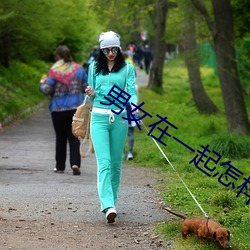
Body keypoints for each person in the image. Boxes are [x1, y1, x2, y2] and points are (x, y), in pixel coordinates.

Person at [85, 31, 138, 223]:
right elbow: (91, 97)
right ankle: (107, 205)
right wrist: (90, 92)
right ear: (101, 50)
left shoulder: (127, 68)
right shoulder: (93, 68)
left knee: (116, 163)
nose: (110, 53)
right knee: (104, 162)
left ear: (119, 48)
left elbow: (131, 92)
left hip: (120, 119)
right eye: (106, 50)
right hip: (98, 118)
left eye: (114, 49)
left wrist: (133, 106)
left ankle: (112, 201)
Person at [39, 45, 88, 175]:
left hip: (58, 109)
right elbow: (86, 87)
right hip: (75, 109)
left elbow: (47, 90)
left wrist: (42, 83)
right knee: (74, 137)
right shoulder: (79, 70)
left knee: (60, 138)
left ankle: (60, 166)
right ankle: (75, 163)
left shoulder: (54, 71)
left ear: (58, 57)